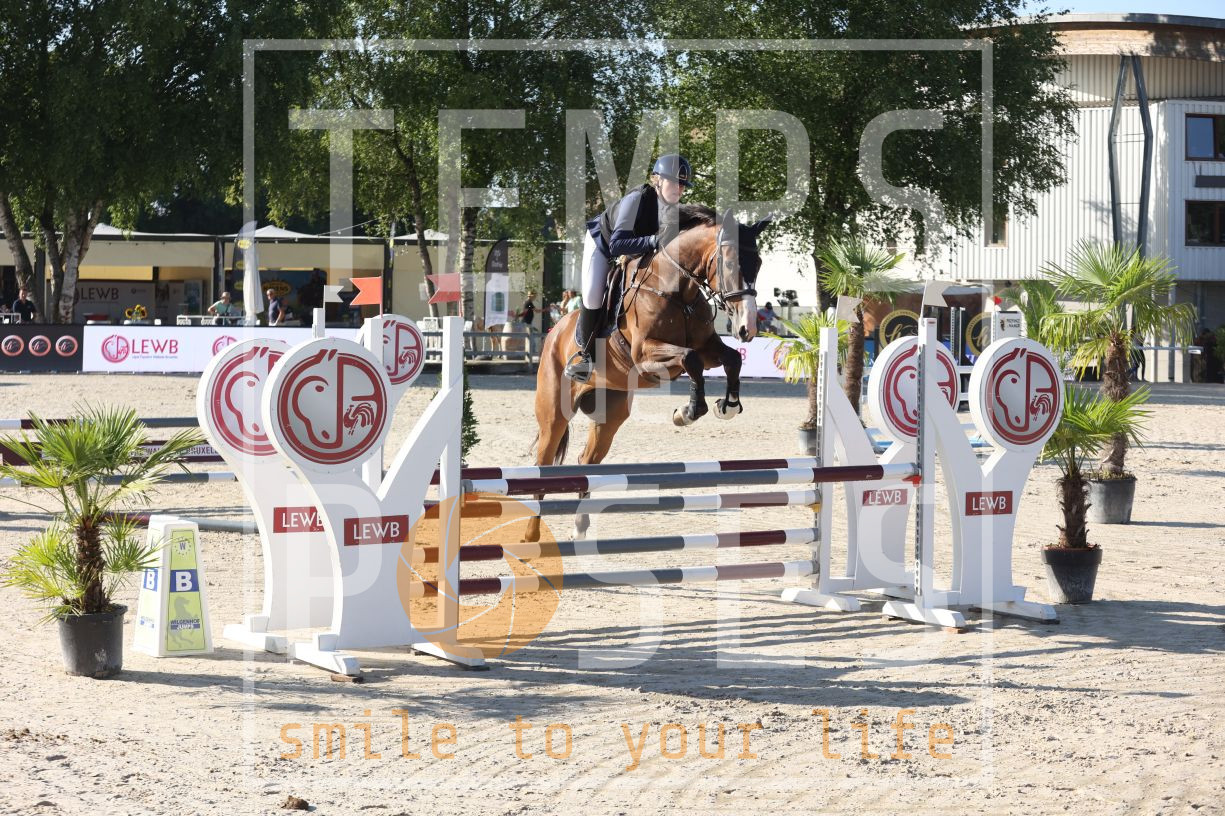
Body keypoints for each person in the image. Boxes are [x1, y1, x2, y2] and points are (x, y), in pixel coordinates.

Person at [566, 153, 693, 382]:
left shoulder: (673, 211)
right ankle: (585, 356)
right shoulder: (636, 200)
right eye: (674, 182)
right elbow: (616, 245)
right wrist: (653, 241)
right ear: (658, 180)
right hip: (603, 244)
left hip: (635, 251)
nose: (679, 189)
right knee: (593, 295)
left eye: (683, 185)